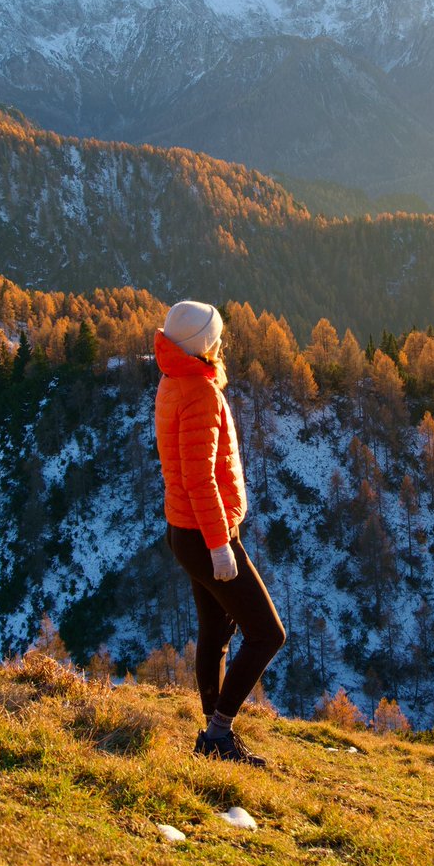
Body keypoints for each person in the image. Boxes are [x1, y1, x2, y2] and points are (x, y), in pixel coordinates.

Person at [154, 299, 285, 766]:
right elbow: (199, 479)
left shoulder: (172, 379)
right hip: (205, 533)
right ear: (204, 344)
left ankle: (214, 735)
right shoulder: (201, 392)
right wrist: (220, 547)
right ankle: (218, 734)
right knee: (268, 634)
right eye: (217, 336)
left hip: (184, 529)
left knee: (217, 631)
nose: (221, 342)